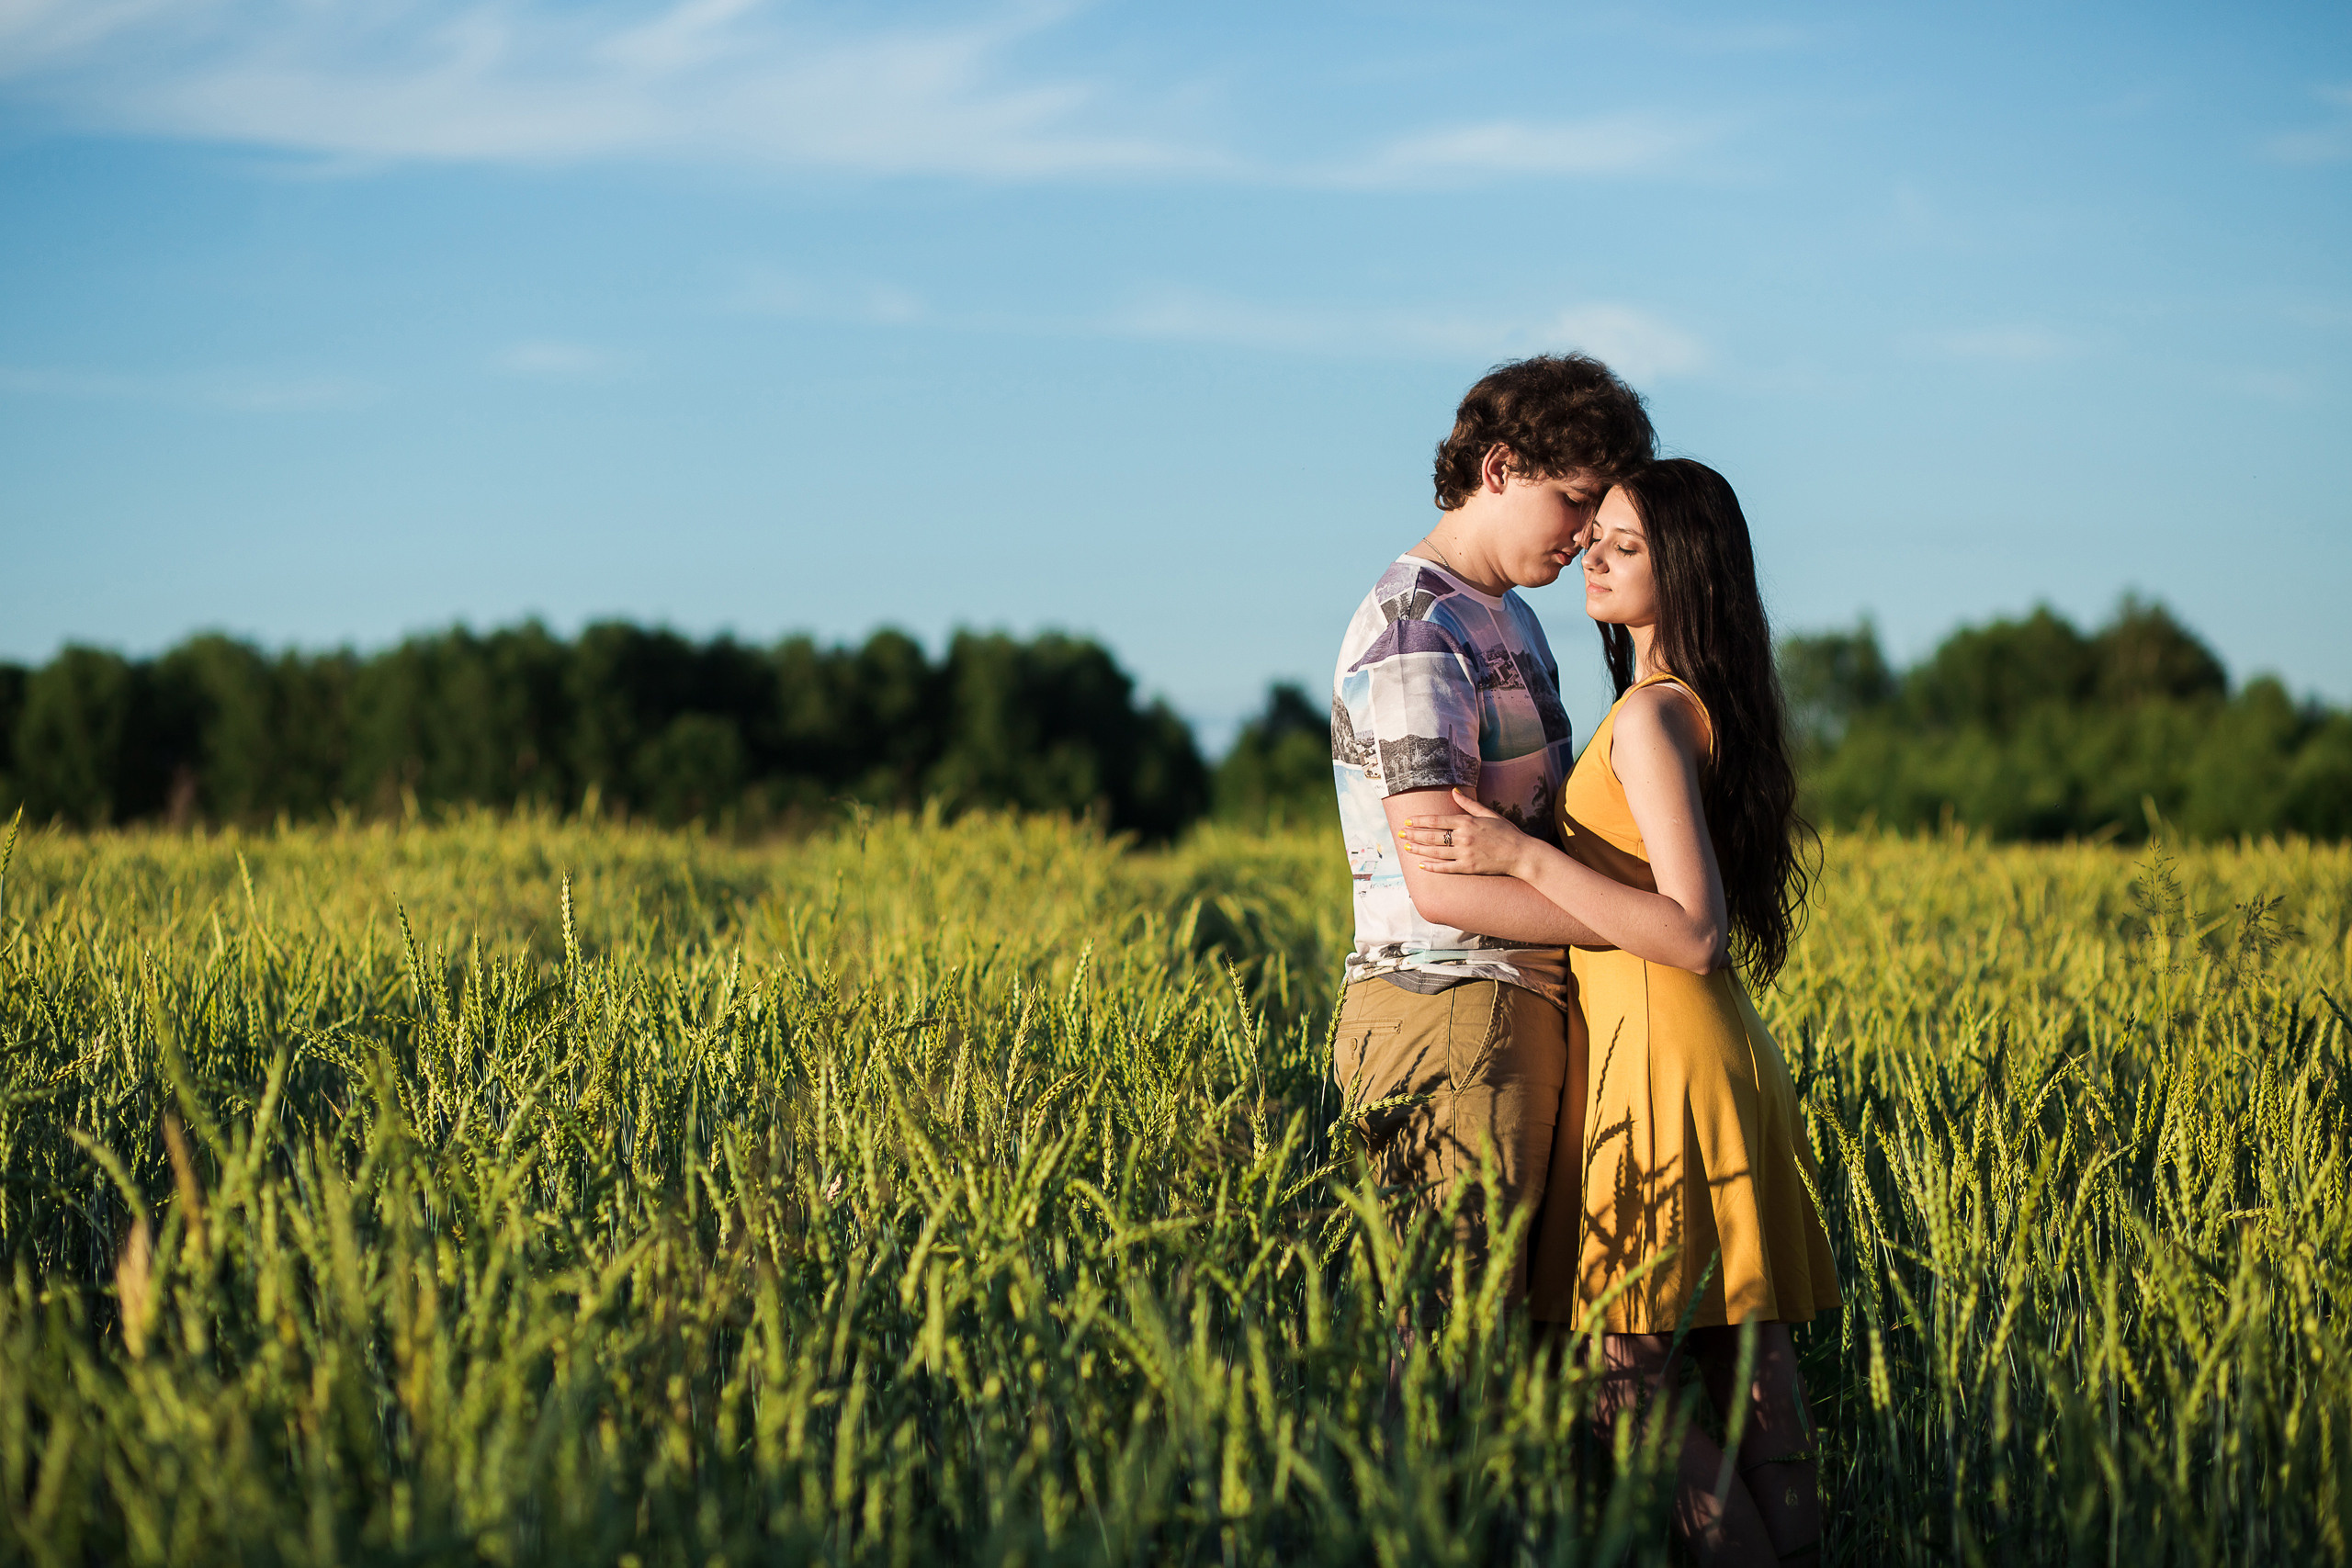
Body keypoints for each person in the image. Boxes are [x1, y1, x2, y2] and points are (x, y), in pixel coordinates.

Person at [1400, 458, 1838, 1567]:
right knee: (1751, 1379)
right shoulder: (1694, 702)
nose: (1591, 553)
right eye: (1594, 534)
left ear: (1684, 569)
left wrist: (1517, 856)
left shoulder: (1649, 719)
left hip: (1658, 1050)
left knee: (1621, 1383)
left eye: (1625, 544)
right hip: (1704, 1049)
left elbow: (1691, 929)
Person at [1329, 353, 1654, 1314]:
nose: (1583, 541)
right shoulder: (1416, 628)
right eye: (1572, 502)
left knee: (1512, 1351)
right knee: (1453, 1352)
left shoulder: (1507, 619)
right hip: (1450, 1003)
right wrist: (1640, 922)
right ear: (1499, 468)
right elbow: (1444, 885)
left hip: (1511, 1005)